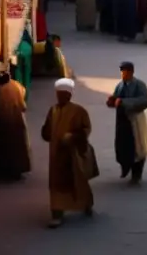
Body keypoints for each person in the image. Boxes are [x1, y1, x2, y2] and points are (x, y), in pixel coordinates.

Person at [41, 78, 97, 227]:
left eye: (64, 94)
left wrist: (73, 136)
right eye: (59, 94)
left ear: (70, 95)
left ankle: (86, 204)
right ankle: (57, 213)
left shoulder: (79, 111)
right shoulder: (53, 110)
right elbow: (46, 131)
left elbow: (86, 129)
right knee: (56, 184)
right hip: (56, 154)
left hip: (73, 154)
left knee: (77, 180)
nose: (61, 97)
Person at [107, 62, 147, 184]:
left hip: (135, 120)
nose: (123, 74)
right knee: (123, 146)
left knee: (138, 148)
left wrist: (124, 102)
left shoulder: (139, 85)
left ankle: (136, 174)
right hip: (122, 121)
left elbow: (145, 100)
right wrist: (112, 101)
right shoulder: (120, 85)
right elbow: (116, 99)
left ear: (132, 72)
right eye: (122, 72)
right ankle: (125, 167)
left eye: (126, 72)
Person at [0, 70, 31, 178]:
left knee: (8, 148)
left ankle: (8, 171)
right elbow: (23, 104)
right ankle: (19, 170)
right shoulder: (16, 85)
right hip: (18, 119)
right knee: (19, 146)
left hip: (6, 122)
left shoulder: (1, 90)